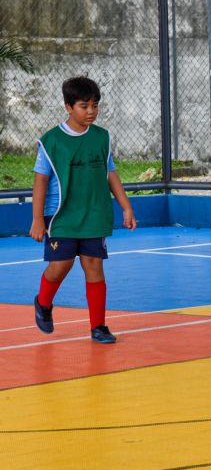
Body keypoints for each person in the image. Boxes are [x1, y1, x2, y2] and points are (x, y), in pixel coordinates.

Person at [30, 76, 137, 344]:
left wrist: (126, 207)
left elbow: (111, 174)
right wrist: (37, 220)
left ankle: (98, 326)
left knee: (94, 266)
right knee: (60, 266)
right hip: (62, 216)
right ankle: (43, 303)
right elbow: (40, 182)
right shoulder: (51, 141)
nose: (91, 111)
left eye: (95, 105)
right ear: (68, 107)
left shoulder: (102, 138)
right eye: (83, 106)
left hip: (94, 213)